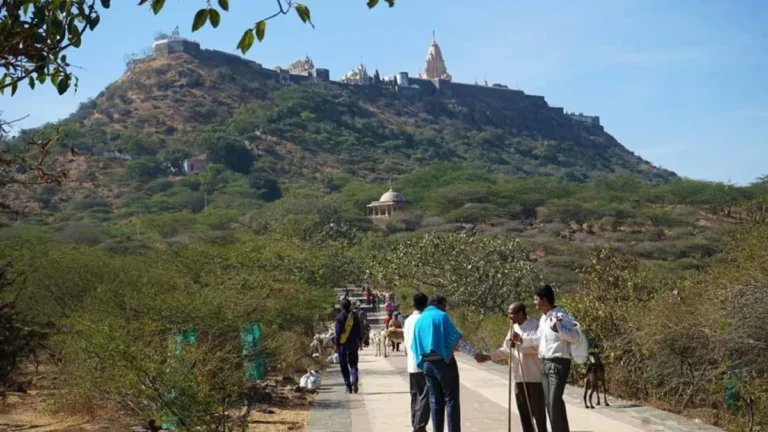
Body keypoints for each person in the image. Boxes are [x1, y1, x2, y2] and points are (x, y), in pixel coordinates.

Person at [513, 284, 580, 432]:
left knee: (554, 403)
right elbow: (538, 339)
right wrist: (521, 339)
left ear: (544, 300)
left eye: (536, 299)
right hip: (544, 364)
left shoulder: (561, 316)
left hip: (558, 364)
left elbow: (575, 336)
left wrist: (558, 328)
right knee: (551, 405)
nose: (534, 303)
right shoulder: (543, 319)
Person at [475, 302, 547, 432]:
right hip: (519, 377)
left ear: (520, 313)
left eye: (511, 313)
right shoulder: (513, 328)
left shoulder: (535, 326)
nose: (509, 316)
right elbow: (506, 350)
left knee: (539, 414)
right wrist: (488, 357)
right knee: (525, 415)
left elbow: (539, 348)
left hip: (535, 378)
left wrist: (521, 341)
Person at [411, 295, 462, 432]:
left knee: (435, 401)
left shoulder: (420, 320)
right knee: (451, 401)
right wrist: (474, 353)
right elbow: (455, 339)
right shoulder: (441, 316)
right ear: (438, 304)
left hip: (427, 365)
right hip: (444, 363)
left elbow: (414, 345)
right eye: (444, 306)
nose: (445, 309)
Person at [404, 293, 430, 432]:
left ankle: (415, 422)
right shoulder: (424, 319)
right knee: (425, 396)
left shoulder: (408, 320)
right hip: (423, 363)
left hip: (411, 363)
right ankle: (420, 426)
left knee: (415, 396)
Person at [335, 298, 361, 394]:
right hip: (353, 343)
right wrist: (360, 340)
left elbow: (337, 332)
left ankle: (348, 387)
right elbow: (359, 329)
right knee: (353, 363)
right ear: (350, 306)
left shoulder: (339, 317)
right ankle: (354, 376)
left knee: (343, 365)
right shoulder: (354, 316)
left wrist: (336, 344)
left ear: (341, 306)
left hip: (343, 344)